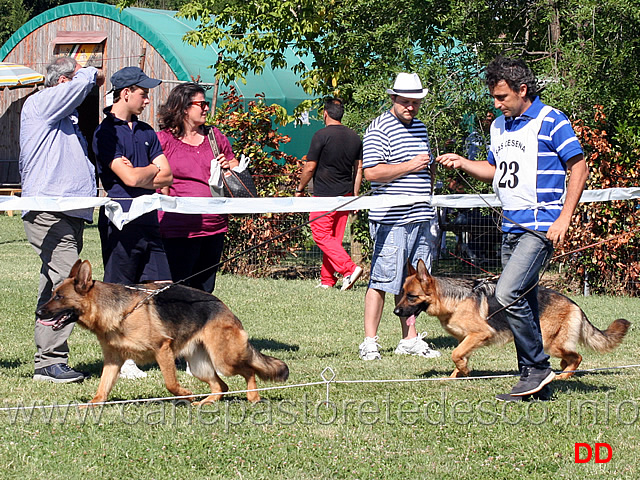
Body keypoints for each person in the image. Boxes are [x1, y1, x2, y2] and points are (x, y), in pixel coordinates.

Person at [436, 56, 588, 401]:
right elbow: (494, 170)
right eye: (493, 96)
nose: (496, 103)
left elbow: (578, 167)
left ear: (522, 90)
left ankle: (537, 367)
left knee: (506, 295)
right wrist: (462, 163)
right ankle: (533, 381)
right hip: (511, 225)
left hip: (540, 226)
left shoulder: (551, 120)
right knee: (526, 301)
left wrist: (564, 217)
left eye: (502, 97)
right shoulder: (499, 127)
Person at [19, 57, 100, 383]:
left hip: (68, 214)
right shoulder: (41, 104)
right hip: (49, 214)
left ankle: (46, 363)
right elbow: (83, 83)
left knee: (52, 290)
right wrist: (91, 70)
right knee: (72, 287)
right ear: (62, 82)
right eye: (74, 83)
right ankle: (52, 363)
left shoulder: (65, 118)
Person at [92, 66, 173, 379]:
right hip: (120, 222)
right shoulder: (105, 133)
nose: (148, 100)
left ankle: (154, 347)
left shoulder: (147, 131)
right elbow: (126, 177)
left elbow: (167, 175)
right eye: (143, 93)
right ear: (125, 93)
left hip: (149, 219)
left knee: (160, 286)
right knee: (118, 291)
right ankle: (123, 358)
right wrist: (149, 172)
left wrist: (142, 174)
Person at [358, 73, 441, 361]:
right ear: (393, 99)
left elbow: (424, 167)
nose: (411, 107)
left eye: (415, 102)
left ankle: (409, 338)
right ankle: (370, 342)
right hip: (391, 218)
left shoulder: (420, 127)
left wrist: (429, 172)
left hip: (420, 215)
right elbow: (372, 172)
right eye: (405, 102)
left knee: (411, 282)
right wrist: (410, 165)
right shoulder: (379, 129)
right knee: (382, 280)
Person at [156, 82, 238, 292]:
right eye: (201, 104)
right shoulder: (163, 140)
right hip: (177, 228)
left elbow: (235, 165)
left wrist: (228, 166)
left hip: (214, 227)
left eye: (206, 103)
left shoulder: (214, 136)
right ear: (184, 107)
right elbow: (155, 178)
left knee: (204, 292)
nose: (206, 108)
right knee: (177, 291)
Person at [295, 97, 363, 291]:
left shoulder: (320, 135)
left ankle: (349, 269)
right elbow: (359, 169)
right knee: (332, 239)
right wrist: (355, 196)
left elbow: (309, 167)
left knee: (320, 236)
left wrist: (300, 189)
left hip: (324, 197)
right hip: (346, 196)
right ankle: (327, 280)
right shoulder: (355, 137)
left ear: (325, 113)